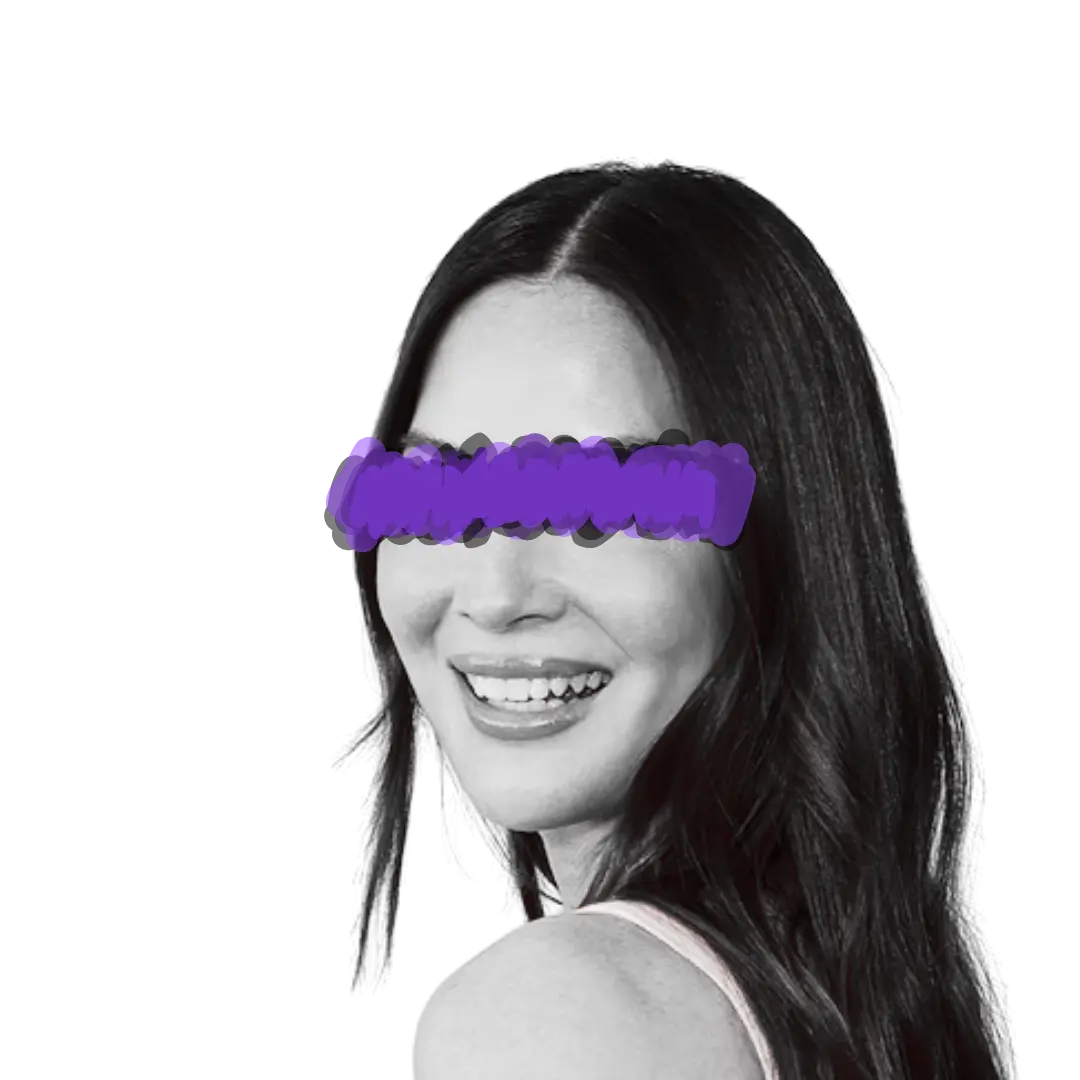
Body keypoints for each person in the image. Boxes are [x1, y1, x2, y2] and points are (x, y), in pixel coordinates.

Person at [327, 159, 1014, 1078]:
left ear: (775, 552)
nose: (495, 593)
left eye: (604, 507)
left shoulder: (554, 1020)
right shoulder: (873, 994)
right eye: (437, 492)